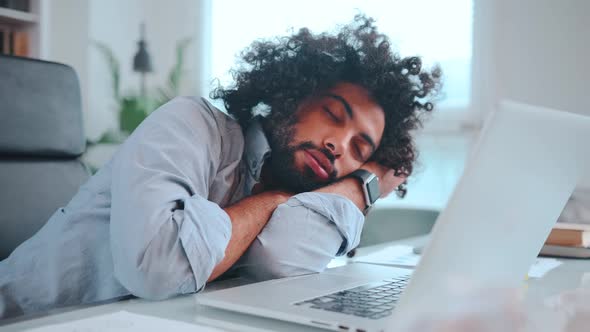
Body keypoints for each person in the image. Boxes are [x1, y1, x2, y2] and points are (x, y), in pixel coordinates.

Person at [0, 15, 440, 319]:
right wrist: (274, 199)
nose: (338, 145)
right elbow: (158, 269)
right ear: (295, 93)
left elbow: (284, 260)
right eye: (333, 113)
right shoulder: (191, 124)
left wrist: (361, 186)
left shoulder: (305, 187)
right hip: (29, 317)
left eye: (360, 148)